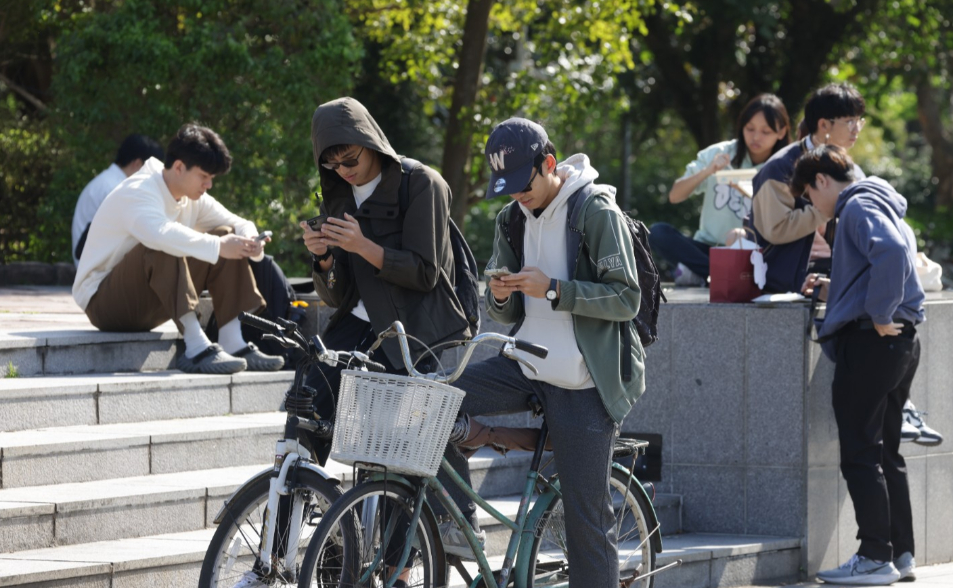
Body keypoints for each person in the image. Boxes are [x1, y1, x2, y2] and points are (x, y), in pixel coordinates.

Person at [442, 118, 645, 587]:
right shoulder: (510, 218)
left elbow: (626, 298)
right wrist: (498, 292)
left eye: (523, 184)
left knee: (586, 521)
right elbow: (510, 313)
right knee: (434, 399)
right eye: (507, 188)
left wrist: (555, 290)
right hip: (527, 362)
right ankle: (457, 523)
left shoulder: (594, 211)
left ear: (548, 164)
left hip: (585, 378)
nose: (518, 196)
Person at [301, 97, 474, 464]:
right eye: (331, 164)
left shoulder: (423, 183)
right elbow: (338, 296)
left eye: (351, 160)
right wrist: (324, 257)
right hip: (355, 328)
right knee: (304, 416)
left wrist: (364, 246)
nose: (343, 171)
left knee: (398, 454)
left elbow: (426, 273)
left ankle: (447, 520)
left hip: (411, 334)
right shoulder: (335, 194)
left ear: (372, 143)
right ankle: (299, 508)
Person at [798, 145, 922, 585]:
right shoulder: (880, 200)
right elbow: (882, 264)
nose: (815, 209)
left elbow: (890, 254)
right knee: (886, 450)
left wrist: (882, 313)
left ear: (822, 182)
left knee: (861, 452)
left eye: (811, 198)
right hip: (898, 344)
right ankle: (901, 552)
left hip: (872, 343)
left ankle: (874, 557)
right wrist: (841, 290)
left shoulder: (856, 205)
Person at [72, 123, 284, 374]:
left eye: (211, 178)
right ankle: (195, 347)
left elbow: (238, 222)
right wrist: (218, 247)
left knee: (225, 234)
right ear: (179, 167)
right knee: (164, 241)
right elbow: (161, 235)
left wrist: (250, 241)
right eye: (204, 177)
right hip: (104, 305)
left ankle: (232, 341)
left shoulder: (191, 197)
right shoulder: (139, 191)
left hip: (148, 304)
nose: (208, 185)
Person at [650, 94, 790, 286]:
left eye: (765, 131)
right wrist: (709, 171)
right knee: (657, 233)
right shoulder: (719, 153)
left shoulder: (787, 165)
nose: (756, 137)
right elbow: (675, 195)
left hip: (756, 251)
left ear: (781, 132)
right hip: (710, 249)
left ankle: (704, 274)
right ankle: (720, 276)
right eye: (750, 129)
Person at [748, 82, 867, 292]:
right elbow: (776, 229)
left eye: (859, 122)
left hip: (829, 280)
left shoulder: (852, 169)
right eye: (849, 122)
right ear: (823, 125)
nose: (856, 129)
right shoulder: (780, 168)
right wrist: (826, 209)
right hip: (779, 284)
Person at [71, 134, 165, 263]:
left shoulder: (108, 182)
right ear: (137, 164)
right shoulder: (116, 188)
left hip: (93, 264)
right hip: (96, 270)